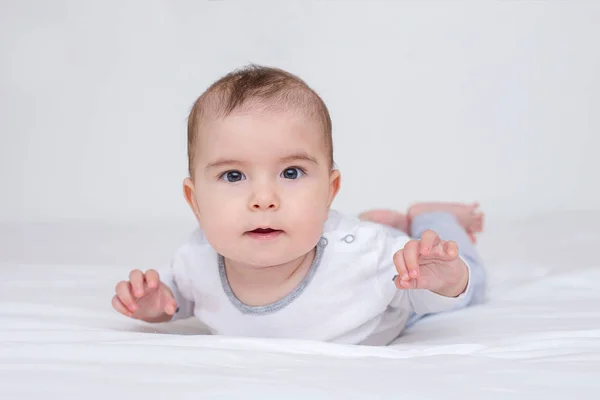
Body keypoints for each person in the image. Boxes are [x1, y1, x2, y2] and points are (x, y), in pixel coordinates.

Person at [111, 65, 486, 345]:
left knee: (467, 280)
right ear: (195, 201)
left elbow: (422, 295)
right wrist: (156, 304)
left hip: (394, 256)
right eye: (233, 176)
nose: (263, 200)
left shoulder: (366, 256)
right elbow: (179, 296)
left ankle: (431, 216)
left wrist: (446, 280)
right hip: (362, 230)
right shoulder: (195, 258)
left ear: (329, 189)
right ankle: (386, 218)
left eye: (291, 173)